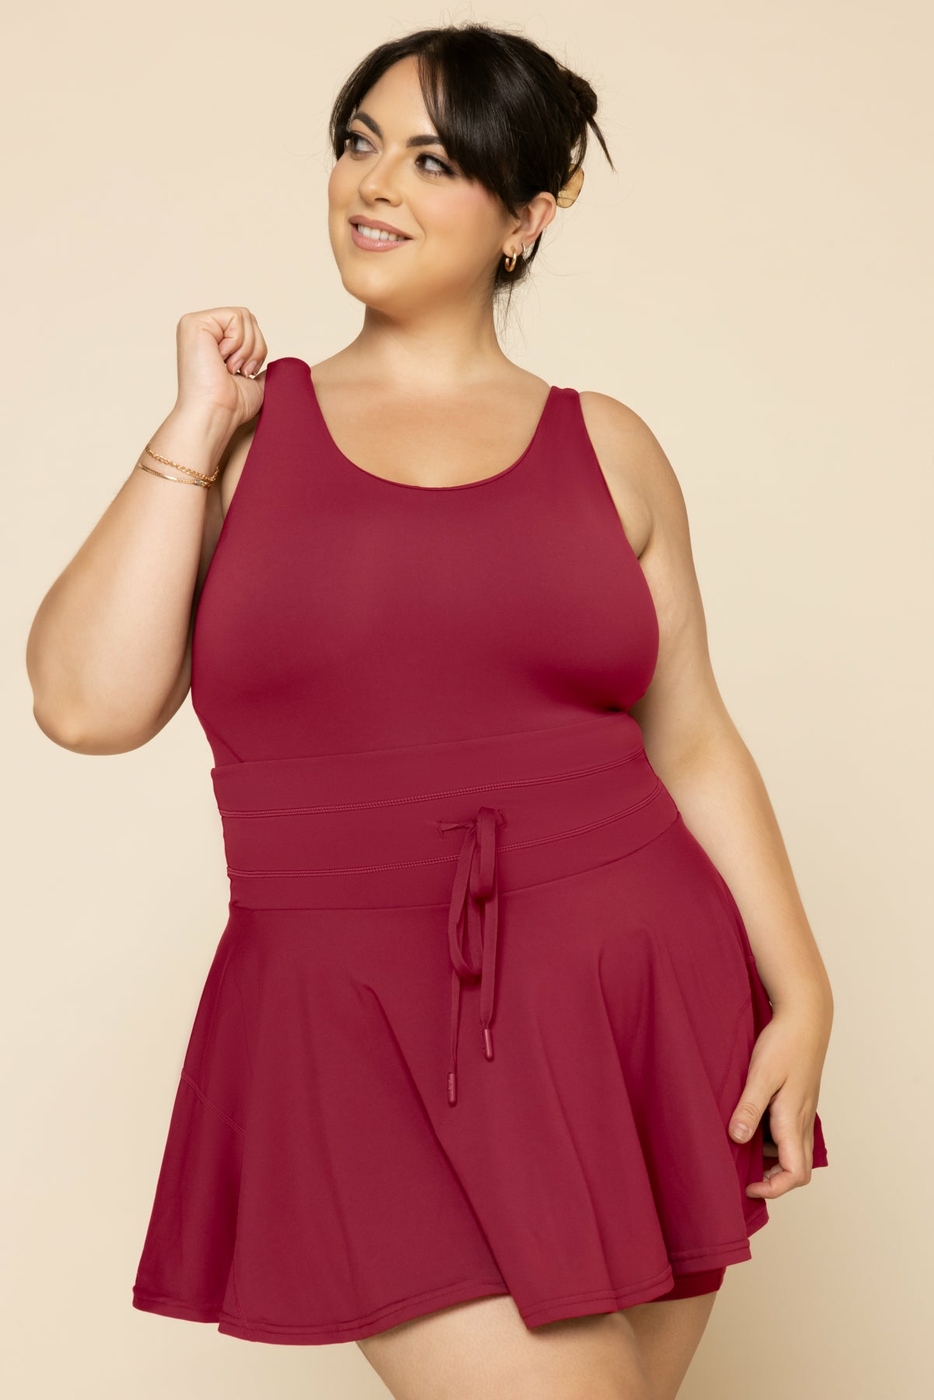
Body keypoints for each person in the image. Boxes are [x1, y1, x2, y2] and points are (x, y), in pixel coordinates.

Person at [26, 21, 833, 1400]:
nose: (374, 183)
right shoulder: (243, 438)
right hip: (342, 1014)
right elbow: (83, 704)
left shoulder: (611, 447)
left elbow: (692, 738)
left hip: (627, 997)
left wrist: (803, 992)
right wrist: (193, 426)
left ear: (527, 217)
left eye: (433, 160)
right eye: (359, 143)